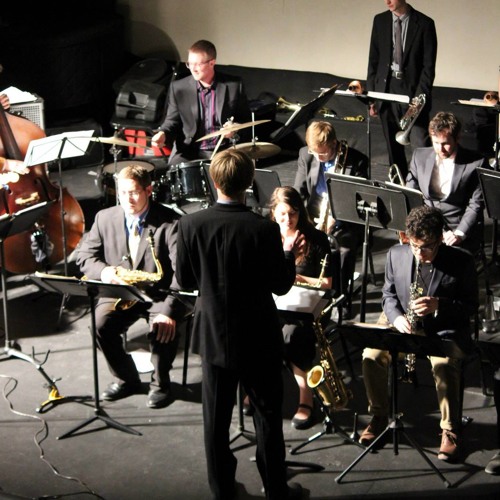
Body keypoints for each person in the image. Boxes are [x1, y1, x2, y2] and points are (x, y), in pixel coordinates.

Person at [176, 149, 303, 500]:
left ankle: (222, 490)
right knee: (267, 418)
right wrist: (288, 252)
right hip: (259, 336)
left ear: (214, 181)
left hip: (213, 336)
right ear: (250, 182)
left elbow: (184, 279)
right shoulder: (264, 229)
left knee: (215, 423)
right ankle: (275, 490)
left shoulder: (189, 225)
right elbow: (280, 285)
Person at [359, 206, 478, 462]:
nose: (419, 254)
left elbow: (470, 306)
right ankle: (379, 415)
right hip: (403, 321)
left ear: (440, 239)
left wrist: (439, 305)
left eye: (426, 247)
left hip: (442, 326)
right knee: (371, 356)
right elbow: (388, 295)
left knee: (445, 365)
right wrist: (396, 318)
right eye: (414, 246)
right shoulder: (396, 254)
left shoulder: (462, 261)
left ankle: (449, 429)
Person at [76, 165, 187, 409]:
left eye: (134, 192)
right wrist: (106, 272)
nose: (128, 199)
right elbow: (84, 256)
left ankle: (161, 384)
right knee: (100, 325)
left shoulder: (171, 222)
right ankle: (126, 378)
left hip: (160, 294)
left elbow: (183, 273)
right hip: (121, 291)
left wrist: (169, 311)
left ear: (148, 190)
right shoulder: (104, 218)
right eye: (123, 193)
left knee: (161, 328)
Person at [269, 186, 333, 430]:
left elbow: (327, 284)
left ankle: (305, 396)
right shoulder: (268, 236)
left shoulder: (316, 239)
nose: (288, 219)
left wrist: (296, 277)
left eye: (293, 213)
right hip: (276, 303)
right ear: (273, 213)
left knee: (292, 334)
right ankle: (258, 388)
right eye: (282, 214)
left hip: (308, 306)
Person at [294, 120, 367, 317]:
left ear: (334, 143)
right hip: (314, 212)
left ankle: (342, 298)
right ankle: (310, 291)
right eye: (315, 152)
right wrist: (303, 222)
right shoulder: (306, 154)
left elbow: (357, 201)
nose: (318, 157)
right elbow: (299, 192)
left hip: (344, 217)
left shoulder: (357, 160)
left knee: (344, 250)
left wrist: (336, 216)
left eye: (323, 153)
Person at [151, 40, 252, 166]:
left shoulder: (234, 86)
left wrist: (234, 130)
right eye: (190, 64)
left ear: (212, 63)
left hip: (224, 151)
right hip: (189, 150)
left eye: (198, 64)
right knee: (173, 172)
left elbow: (246, 121)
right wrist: (163, 133)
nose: (193, 69)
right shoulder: (179, 88)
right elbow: (172, 121)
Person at [367, 0, 437, 178]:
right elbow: (373, 61)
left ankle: (423, 189)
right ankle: (399, 188)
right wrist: (372, 98)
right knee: (393, 151)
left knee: (421, 148)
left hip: (413, 94)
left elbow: (428, 68)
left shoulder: (425, 24)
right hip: (385, 92)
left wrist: (418, 101)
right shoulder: (380, 20)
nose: (387, 1)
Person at [406, 111, 489, 254]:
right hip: (426, 224)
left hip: (458, 226)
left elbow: (475, 204)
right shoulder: (419, 156)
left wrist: (459, 233)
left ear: (457, 138)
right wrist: (431, 228)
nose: (440, 149)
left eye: (445, 144)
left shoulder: (476, 163)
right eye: (436, 143)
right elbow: (412, 195)